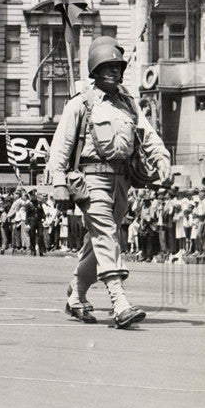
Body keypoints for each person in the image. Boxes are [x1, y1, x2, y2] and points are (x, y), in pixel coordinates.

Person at [46, 39, 171, 328]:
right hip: (91, 179)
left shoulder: (128, 104)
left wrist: (162, 158)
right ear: (96, 71)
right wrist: (59, 183)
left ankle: (76, 295)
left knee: (98, 242)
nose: (116, 72)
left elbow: (148, 135)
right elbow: (61, 147)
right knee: (106, 236)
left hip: (121, 180)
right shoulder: (82, 103)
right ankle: (119, 302)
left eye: (118, 67)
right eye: (108, 68)